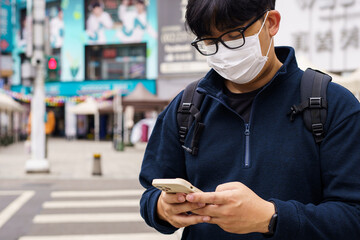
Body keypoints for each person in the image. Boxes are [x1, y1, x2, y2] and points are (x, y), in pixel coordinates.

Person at [139, 0, 360, 239]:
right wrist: (162, 208)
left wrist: (271, 217)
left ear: (271, 23)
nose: (223, 51)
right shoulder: (186, 106)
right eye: (210, 42)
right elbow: (151, 192)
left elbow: (353, 215)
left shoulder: (333, 104)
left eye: (234, 36)